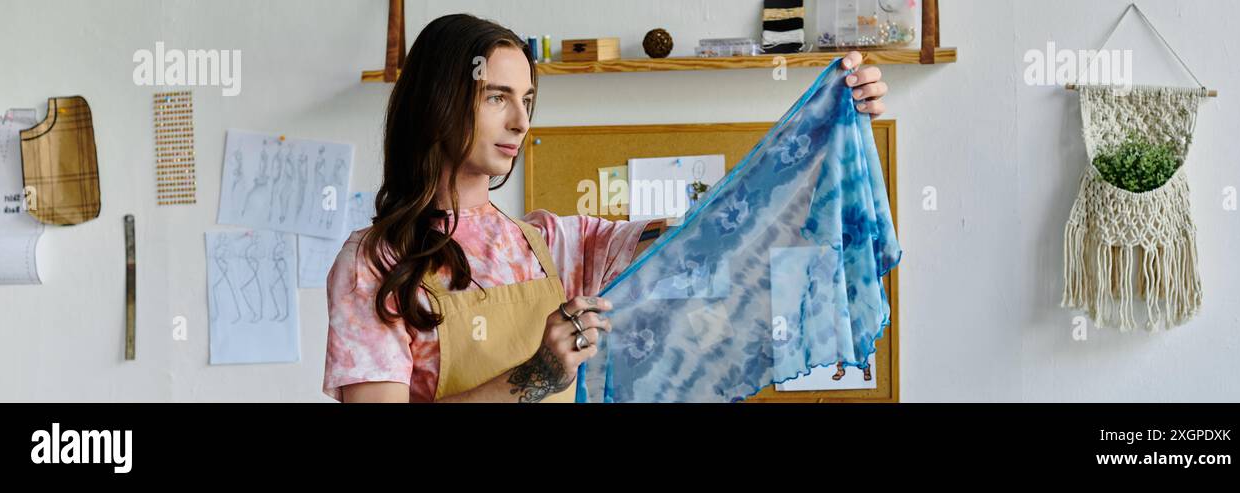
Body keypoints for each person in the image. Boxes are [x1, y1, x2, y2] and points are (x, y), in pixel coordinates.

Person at [323, 13, 889, 403]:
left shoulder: (551, 244)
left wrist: (824, 135)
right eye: (496, 97)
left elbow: (717, 233)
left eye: (527, 101)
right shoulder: (375, 264)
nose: (521, 121)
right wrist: (530, 380)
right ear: (437, 102)